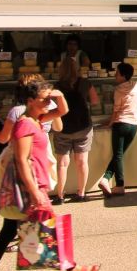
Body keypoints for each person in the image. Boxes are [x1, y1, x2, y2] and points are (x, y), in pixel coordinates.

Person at [0, 78, 100, 271]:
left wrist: (54, 94)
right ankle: (73, 269)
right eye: (44, 100)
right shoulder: (25, 125)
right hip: (27, 189)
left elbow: (63, 109)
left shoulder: (37, 119)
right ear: (30, 101)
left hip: (31, 188)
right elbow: (21, 161)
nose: (48, 103)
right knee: (45, 230)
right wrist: (35, 193)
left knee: (12, 234)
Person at [52, 57, 98, 203]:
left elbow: (52, 107)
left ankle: (60, 196)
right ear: (78, 68)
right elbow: (95, 101)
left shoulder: (57, 86)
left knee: (62, 163)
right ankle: (81, 194)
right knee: (82, 162)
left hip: (63, 128)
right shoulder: (85, 83)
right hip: (83, 127)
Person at [98, 62, 137, 197]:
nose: (115, 75)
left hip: (121, 124)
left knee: (118, 155)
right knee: (119, 154)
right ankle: (107, 180)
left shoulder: (118, 90)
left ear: (123, 75)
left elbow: (116, 111)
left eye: (117, 73)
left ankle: (119, 184)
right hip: (134, 125)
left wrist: (109, 123)